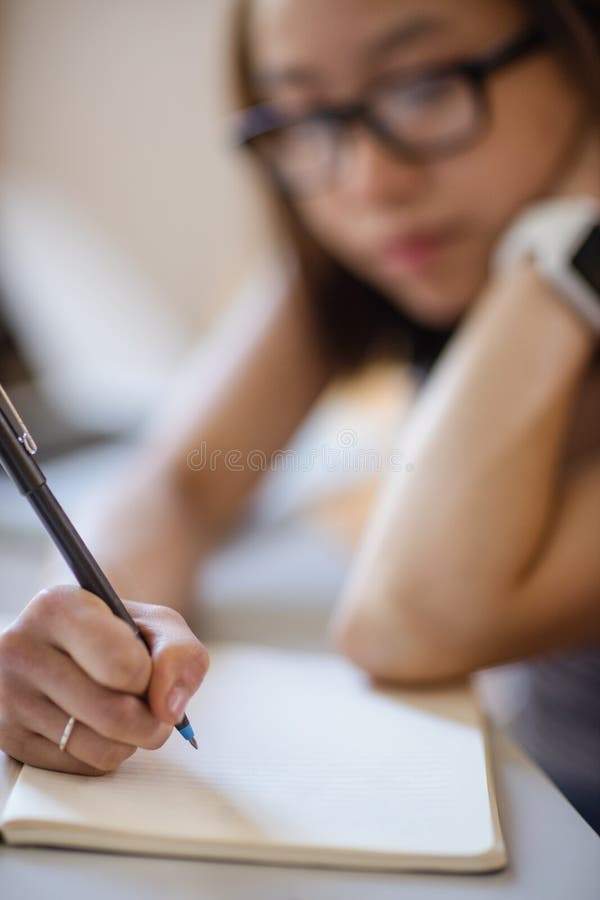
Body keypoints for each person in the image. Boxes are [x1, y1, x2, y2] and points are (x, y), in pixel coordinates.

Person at [1, 0, 599, 832]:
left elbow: (410, 620)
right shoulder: (386, 241)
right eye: (306, 118)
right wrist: (81, 636)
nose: (367, 181)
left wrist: (569, 251)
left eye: (424, 88)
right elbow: (178, 481)